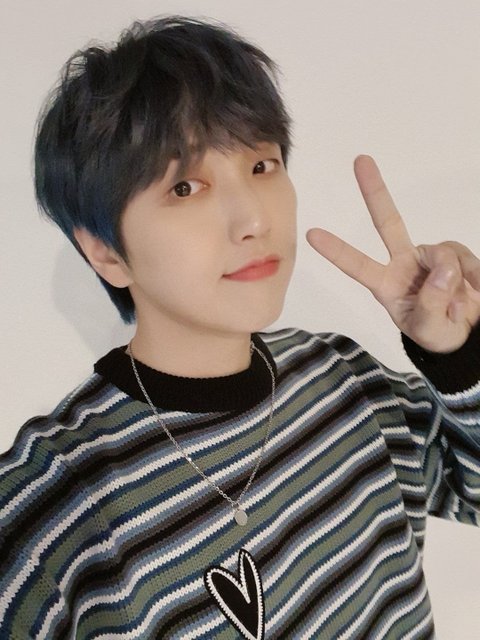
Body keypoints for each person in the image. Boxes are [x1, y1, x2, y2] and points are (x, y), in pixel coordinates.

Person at [0, 15, 479, 640]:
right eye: (185, 187)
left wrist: (457, 356)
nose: (253, 218)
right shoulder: (54, 501)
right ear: (106, 252)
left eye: (262, 165)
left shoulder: (346, 379)